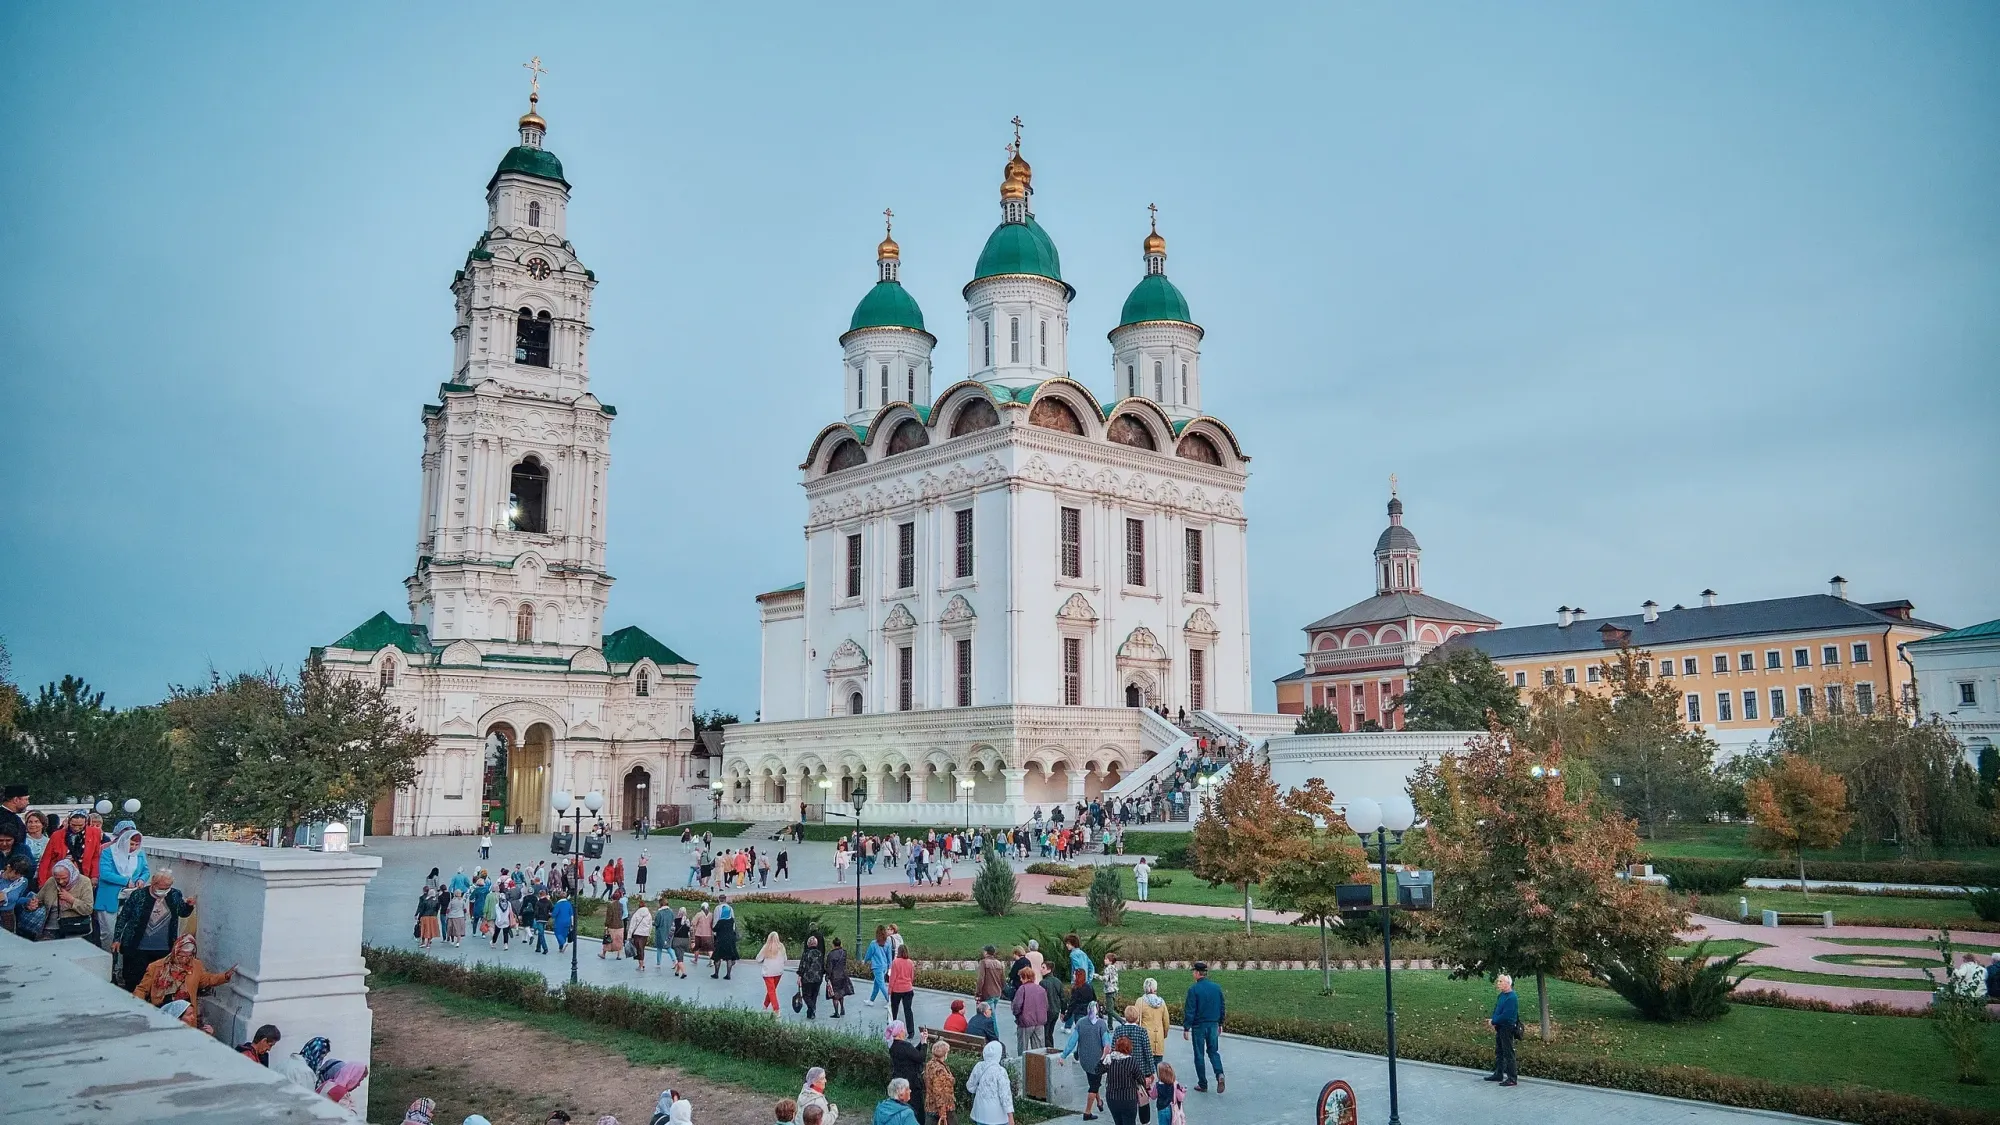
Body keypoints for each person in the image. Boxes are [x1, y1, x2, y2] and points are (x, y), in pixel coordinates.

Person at [113, 869, 195, 988]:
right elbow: (123, 917)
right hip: (137, 948)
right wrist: (117, 938)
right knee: (134, 981)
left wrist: (189, 906)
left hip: (163, 948)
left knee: (157, 982)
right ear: (153, 883)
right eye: (161, 887)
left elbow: (182, 912)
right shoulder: (138, 895)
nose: (164, 890)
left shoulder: (174, 894)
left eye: (167, 887)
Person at [134, 933, 235, 1027]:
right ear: (175, 951)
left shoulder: (196, 966)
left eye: (189, 956)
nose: (185, 959)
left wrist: (224, 976)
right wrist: (140, 1008)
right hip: (164, 1012)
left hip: (186, 1014)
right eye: (181, 955)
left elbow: (207, 980)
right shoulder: (156, 967)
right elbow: (142, 989)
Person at [94, 823, 148, 947]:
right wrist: (125, 881)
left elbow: (145, 870)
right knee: (109, 933)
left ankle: (121, 964)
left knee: (127, 933)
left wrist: (141, 879)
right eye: (131, 844)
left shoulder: (139, 853)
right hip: (109, 897)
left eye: (136, 845)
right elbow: (105, 873)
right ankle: (108, 959)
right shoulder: (109, 852)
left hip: (130, 897)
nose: (133, 848)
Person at [1181, 962, 1225, 1093]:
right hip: (1213, 1024)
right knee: (1213, 1051)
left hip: (1199, 1026)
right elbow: (1222, 1007)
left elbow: (1190, 1010)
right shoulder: (1216, 988)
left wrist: (1186, 1028)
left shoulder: (1193, 990)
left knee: (1199, 1054)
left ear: (1196, 973)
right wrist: (1221, 1023)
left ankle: (1203, 1083)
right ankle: (1219, 1074)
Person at [1062, 1001, 1109, 1121]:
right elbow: (1106, 1044)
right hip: (1097, 1061)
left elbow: (1072, 1041)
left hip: (1084, 1060)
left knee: (1093, 1080)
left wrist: (1064, 1055)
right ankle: (1087, 1113)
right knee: (1093, 1086)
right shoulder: (1101, 1024)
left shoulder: (1081, 1022)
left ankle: (1099, 1102)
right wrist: (1107, 1058)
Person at [39, 809, 104, 888]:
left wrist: (94, 876)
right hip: (59, 877)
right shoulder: (57, 835)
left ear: (86, 823)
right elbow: (46, 859)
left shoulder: (95, 833)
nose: (76, 828)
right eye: (73, 825)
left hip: (83, 875)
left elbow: (95, 856)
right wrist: (42, 882)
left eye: (80, 826)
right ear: (68, 822)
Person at [39, 857, 95, 940]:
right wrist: (32, 904)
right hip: (51, 928)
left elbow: (88, 909)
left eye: (64, 878)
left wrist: (71, 899)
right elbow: (39, 900)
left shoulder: (84, 882)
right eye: (57, 879)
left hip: (74, 928)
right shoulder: (51, 881)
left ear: (71, 873)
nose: (61, 882)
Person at [887, 1023, 927, 1122]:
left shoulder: (893, 1046)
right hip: (911, 1081)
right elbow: (920, 1057)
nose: (905, 1031)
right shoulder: (906, 1046)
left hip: (898, 1080)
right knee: (916, 1107)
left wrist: (921, 1043)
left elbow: (912, 1053)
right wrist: (925, 1043)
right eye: (903, 1029)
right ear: (900, 1032)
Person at [966, 1041, 1014, 1125]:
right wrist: (1010, 1116)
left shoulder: (979, 1066)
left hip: (980, 1113)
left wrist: (980, 1090)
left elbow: (970, 1086)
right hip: (997, 1116)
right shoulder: (1000, 1071)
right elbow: (1005, 1096)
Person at [1102, 1035, 1145, 1125]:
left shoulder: (1109, 1060)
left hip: (1112, 1098)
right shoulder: (1131, 1061)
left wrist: (1105, 1055)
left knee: (1118, 1122)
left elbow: (1097, 1070)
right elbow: (1141, 1079)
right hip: (1128, 1099)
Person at [1486, 974, 1519, 1087]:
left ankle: (1512, 1078)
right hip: (1499, 1027)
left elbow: (1506, 1015)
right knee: (1499, 1051)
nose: (1498, 983)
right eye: (1498, 981)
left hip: (1507, 1028)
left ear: (1507, 983)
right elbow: (1497, 1009)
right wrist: (1494, 1020)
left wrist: (1494, 1020)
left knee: (1508, 1052)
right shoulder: (1501, 996)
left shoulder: (1512, 997)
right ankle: (1498, 1073)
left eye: (1501, 981)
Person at [1112, 1005, 1155, 1079]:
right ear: (1137, 1017)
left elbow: (1113, 1048)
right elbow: (1147, 1051)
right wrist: (1152, 1070)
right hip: (1140, 1068)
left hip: (1122, 1066)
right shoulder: (1142, 1031)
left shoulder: (1118, 1030)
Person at [1012, 967, 1048, 1054]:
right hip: (1040, 1022)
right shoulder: (1041, 989)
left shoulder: (1022, 989)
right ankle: (1039, 1066)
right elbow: (1046, 1005)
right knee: (1039, 1048)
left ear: (1026, 977)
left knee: (1023, 1047)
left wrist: (1017, 1015)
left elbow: (1017, 1005)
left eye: (1021, 977)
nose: (1020, 979)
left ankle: (1023, 1065)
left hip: (1025, 1022)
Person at [1135, 980, 1170, 1066]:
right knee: (1158, 1066)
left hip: (1145, 1039)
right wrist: (1163, 1035)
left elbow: (1136, 1019)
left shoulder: (1140, 1001)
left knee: (1145, 1068)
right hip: (1158, 1039)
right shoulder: (1162, 1002)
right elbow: (1166, 1021)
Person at [924, 1040, 956, 1125]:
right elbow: (939, 1092)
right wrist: (943, 1113)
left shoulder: (930, 1064)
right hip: (942, 1108)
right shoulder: (940, 1070)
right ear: (944, 1053)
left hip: (930, 1105)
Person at [888, 944, 918, 1029]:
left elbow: (892, 977)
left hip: (897, 990)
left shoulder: (895, 962)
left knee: (894, 1010)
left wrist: (890, 989)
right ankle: (911, 1031)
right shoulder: (910, 962)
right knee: (908, 1010)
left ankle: (893, 1028)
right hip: (908, 989)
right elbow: (911, 977)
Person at [757, 930, 788, 1012]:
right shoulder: (781, 946)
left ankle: (776, 1009)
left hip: (768, 973)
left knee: (771, 991)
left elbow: (758, 959)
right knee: (772, 990)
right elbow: (785, 959)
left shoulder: (766, 947)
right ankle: (765, 1006)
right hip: (778, 972)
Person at [797, 934, 827, 1018]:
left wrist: (799, 976)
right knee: (814, 995)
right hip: (818, 979)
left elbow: (802, 966)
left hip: (807, 978)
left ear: (808, 944)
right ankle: (811, 1013)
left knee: (806, 995)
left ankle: (812, 1008)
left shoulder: (806, 953)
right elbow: (822, 966)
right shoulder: (820, 953)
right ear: (816, 944)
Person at [866, 925, 895, 1006]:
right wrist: (890, 966)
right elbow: (889, 956)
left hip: (877, 967)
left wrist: (864, 961)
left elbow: (868, 954)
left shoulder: (873, 943)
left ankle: (889, 1001)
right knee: (877, 983)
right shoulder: (888, 943)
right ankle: (871, 1000)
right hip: (884, 966)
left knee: (881, 985)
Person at [713, 897, 740, 978]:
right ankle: (728, 974)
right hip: (730, 939)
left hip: (721, 939)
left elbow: (714, 928)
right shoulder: (731, 920)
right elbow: (734, 927)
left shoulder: (720, 921)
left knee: (717, 956)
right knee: (729, 957)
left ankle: (716, 973)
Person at [826, 935, 853, 1018]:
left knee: (834, 995)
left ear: (833, 944)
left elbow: (829, 967)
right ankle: (842, 1009)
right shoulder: (844, 952)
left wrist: (827, 976)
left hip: (834, 976)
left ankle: (836, 1012)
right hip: (843, 975)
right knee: (841, 993)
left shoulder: (831, 954)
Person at [629, 895, 656, 972]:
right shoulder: (649, 915)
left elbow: (632, 926)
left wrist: (629, 935)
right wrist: (649, 934)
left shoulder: (636, 914)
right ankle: (642, 964)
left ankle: (641, 965)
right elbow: (650, 925)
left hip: (637, 934)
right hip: (645, 934)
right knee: (642, 949)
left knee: (639, 950)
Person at [601, 890, 625, 959]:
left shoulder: (610, 905)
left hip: (612, 926)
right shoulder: (621, 905)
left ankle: (603, 954)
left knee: (607, 939)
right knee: (619, 940)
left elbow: (609, 916)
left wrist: (606, 925)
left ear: (612, 898)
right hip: (620, 925)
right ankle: (618, 955)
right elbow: (622, 913)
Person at [692, 902, 714, 968]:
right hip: (708, 934)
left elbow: (693, 923)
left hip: (699, 934)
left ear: (702, 907)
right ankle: (712, 961)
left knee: (697, 947)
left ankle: (695, 960)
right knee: (710, 948)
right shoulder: (711, 915)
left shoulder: (699, 914)